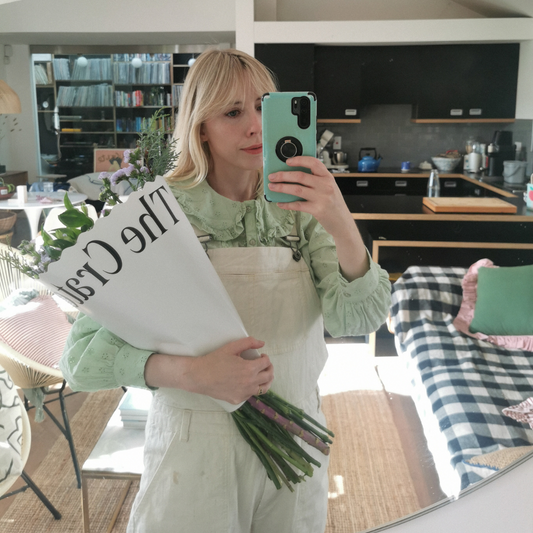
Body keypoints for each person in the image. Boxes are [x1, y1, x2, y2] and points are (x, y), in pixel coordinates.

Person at [60, 48, 391, 533]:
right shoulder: (160, 214)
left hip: (294, 442)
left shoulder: (302, 207)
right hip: (193, 452)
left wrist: (338, 218)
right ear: (201, 127)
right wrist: (189, 372)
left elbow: (357, 319)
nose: (255, 126)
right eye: (233, 112)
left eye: (264, 107)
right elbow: (81, 358)